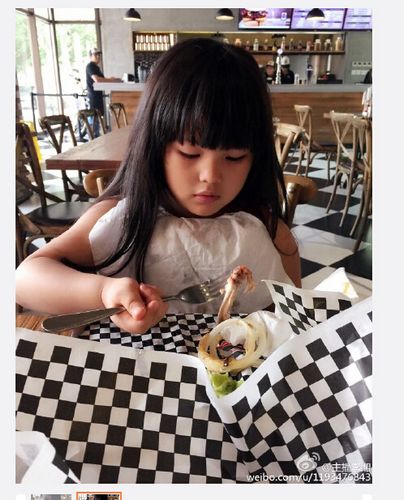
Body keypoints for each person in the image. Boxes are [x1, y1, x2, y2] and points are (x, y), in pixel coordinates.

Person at [16, 38, 301, 334]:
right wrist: (104, 292)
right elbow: (24, 280)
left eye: (234, 157)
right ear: (154, 145)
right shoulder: (123, 218)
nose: (210, 176)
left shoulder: (267, 231)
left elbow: (293, 317)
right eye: (189, 153)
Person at [86, 48, 121, 136]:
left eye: (99, 54)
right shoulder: (90, 66)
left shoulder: (96, 67)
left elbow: (102, 80)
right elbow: (97, 80)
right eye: (95, 55)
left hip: (97, 98)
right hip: (93, 98)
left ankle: (95, 139)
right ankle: (92, 141)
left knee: (97, 121)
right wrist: (112, 80)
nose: (98, 56)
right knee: (94, 123)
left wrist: (111, 79)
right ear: (90, 56)